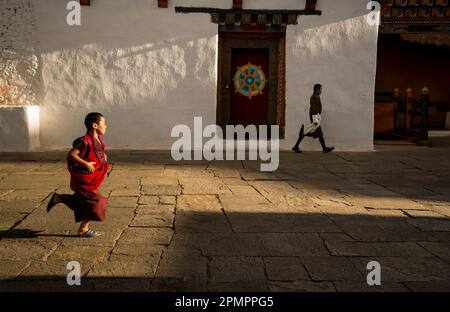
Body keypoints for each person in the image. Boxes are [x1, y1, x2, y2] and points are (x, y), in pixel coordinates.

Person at [46, 112, 110, 237]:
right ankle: (83, 229)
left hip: (91, 178)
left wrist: (103, 157)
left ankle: (59, 198)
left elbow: (97, 152)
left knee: (84, 201)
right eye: (104, 123)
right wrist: (86, 164)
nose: (106, 126)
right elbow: (71, 154)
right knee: (97, 203)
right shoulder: (85, 141)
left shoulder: (97, 139)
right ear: (95, 125)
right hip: (83, 179)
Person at [292, 84, 335, 154]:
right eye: (320, 89)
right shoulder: (315, 97)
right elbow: (313, 108)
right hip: (313, 119)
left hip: (311, 119)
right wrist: (315, 119)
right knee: (318, 133)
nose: (321, 91)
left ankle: (296, 146)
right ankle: (324, 148)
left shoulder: (316, 96)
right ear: (317, 90)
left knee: (304, 132)